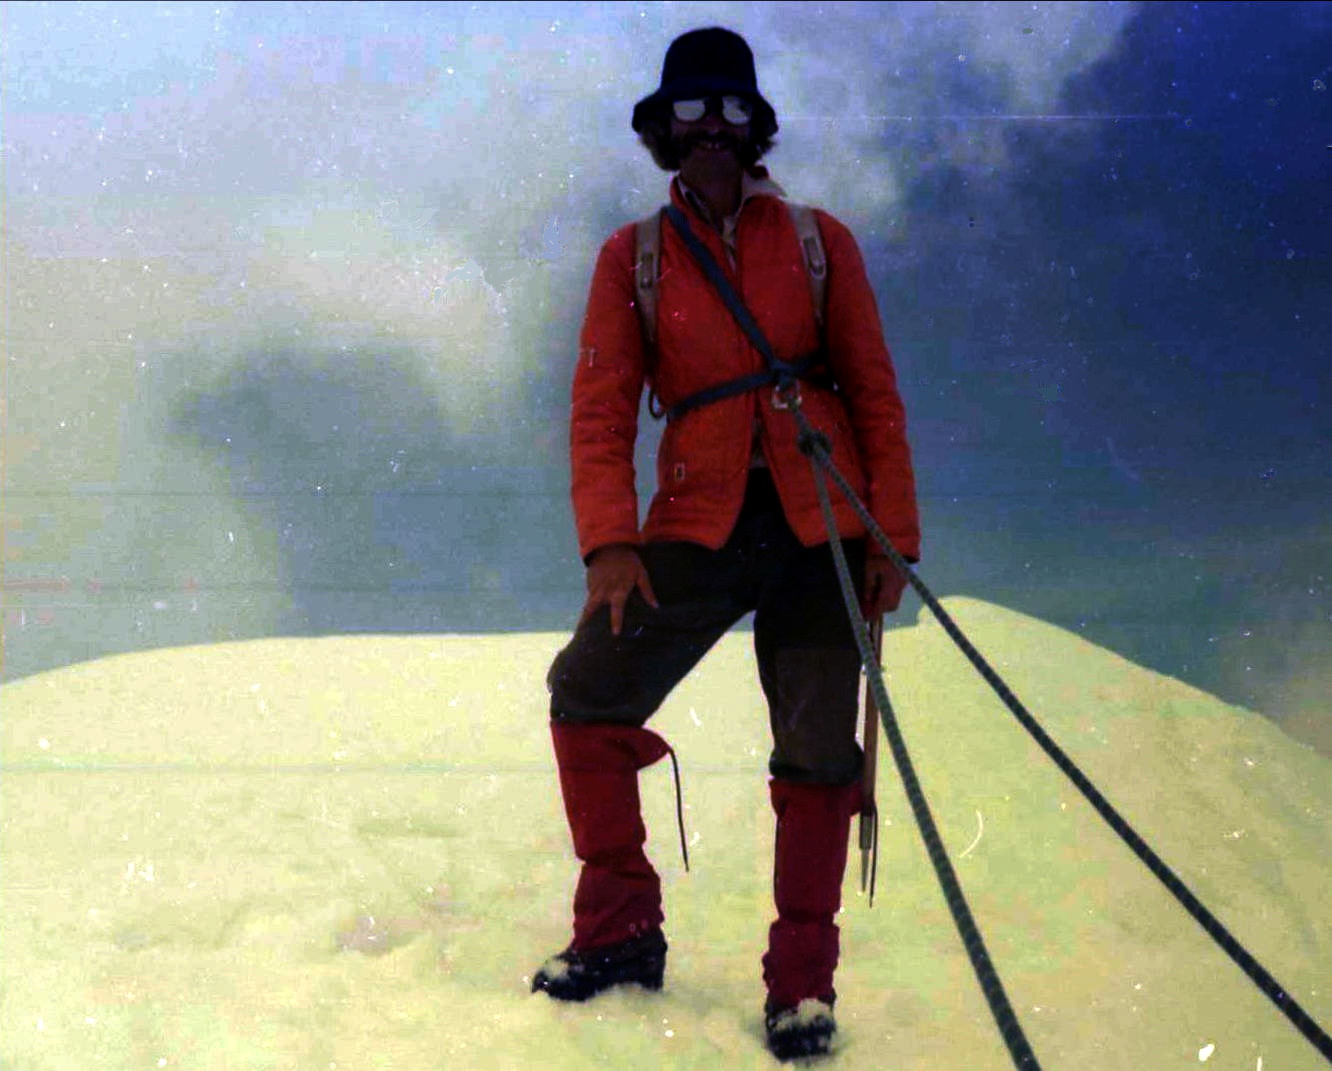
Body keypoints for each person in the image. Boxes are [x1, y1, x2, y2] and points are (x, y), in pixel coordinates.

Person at [530, 26, 921, 1062]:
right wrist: (609, 545)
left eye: (733, 112)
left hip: (821, 526)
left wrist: (894, 537)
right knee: (590, 689)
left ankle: (802, 989)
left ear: (757, 132)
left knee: (819, 751)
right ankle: (618, 932)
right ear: (662, 132)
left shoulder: (820, 242)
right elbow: (601, 410)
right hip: (694, 524)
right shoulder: (635, 257)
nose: (713, 131)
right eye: (692, 112)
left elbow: (874, 393)